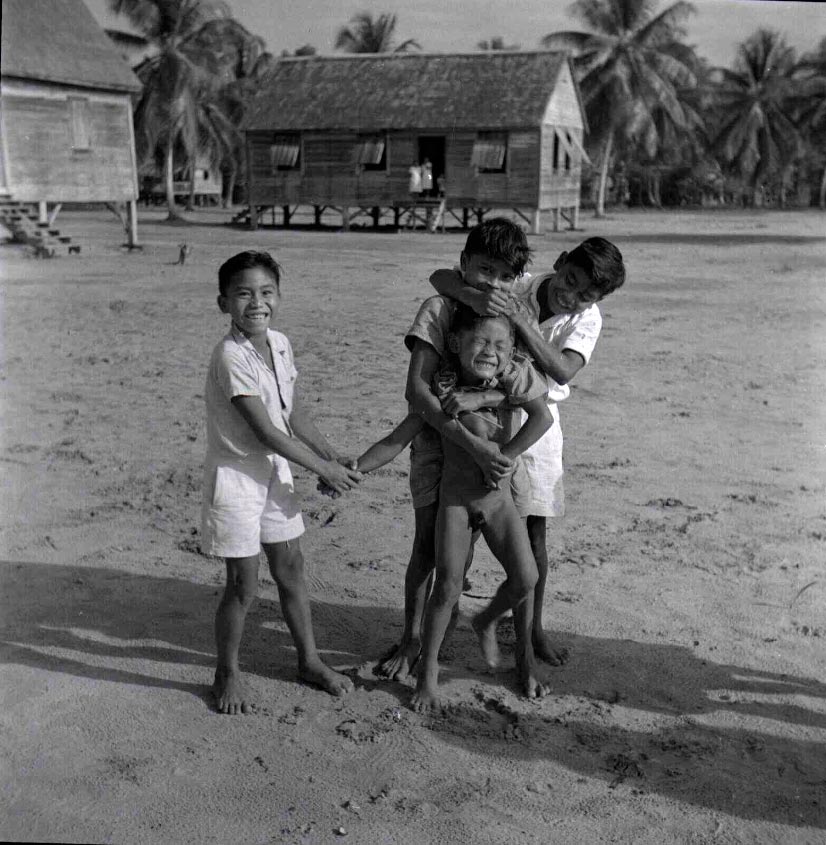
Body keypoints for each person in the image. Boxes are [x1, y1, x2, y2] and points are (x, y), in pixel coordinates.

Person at [429, 237, 626, 666]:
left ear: (597, 300)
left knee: (533, 533)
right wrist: (473, 294)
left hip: (538, 426)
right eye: (569, 280)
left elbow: (561, 370)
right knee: (467, 525)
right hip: (482, 415)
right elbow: (441, 277)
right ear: (559, 262)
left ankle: (531, 634)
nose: (569, 295)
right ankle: (439, 630)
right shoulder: (520, 283)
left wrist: (521, 322)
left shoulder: (586, 319)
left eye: (584, 295)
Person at [357, 305, 552, 708]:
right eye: (480, 341)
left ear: (513, 352)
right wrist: (356, 466)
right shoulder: (441, 397)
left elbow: (543, 419)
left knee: (527, 577)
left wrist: (509, 455)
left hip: (498, 503)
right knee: (446, 586)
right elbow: (397, 439)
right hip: (456, 504)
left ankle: (488, 622)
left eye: (501, 345)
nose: (490, 351)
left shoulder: (509, 390)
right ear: (455, 343)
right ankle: (427, 678)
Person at [201, 250, 363, 714]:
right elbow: (265, 430)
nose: (257, 303)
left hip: (276, 469)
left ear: (279, 296)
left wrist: (332, 453)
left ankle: (309, 661)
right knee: (243, 585)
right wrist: (324, 471)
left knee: (291, 567)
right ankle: (226, 670)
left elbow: (293, 412)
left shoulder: (280, 343)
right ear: (223, 302)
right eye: (243, 294)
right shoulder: (229, 356)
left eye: (266, 292)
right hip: (236, 477)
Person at [375, 217, 533, 682]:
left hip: (492, 442)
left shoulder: (514, 313)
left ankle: (507, 647)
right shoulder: (438, 309)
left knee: (471, 555)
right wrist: (465, 440)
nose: (494, 284)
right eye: (485, 270)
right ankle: (412, 640)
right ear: (464, 264)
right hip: (434, 441)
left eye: (506, 276)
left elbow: (519, 384)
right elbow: (417, 393)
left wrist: (484, 401)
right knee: (427, 550)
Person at [407, 161, 422, 229]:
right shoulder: (412, 168)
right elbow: (409, 174)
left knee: (417, 190)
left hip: (418, 179)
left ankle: (417, 200)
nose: (416, 164)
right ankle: (413, 200)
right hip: (413, 179)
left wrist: (429, 177)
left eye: (417, 163)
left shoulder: (419, 168)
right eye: (415, 163)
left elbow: (424, 174)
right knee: (413, 189)